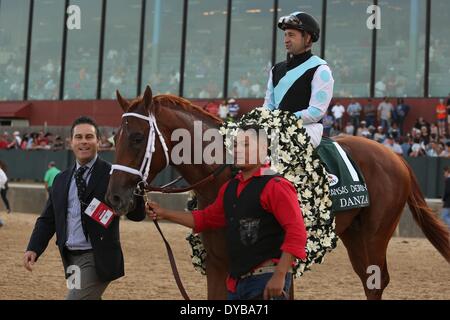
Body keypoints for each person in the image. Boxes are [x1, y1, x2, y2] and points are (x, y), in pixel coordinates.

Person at [146, 126, 307, 300]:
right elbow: (205, 219)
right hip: (236, 284)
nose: (238, 149)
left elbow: (297, 232)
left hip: (266, 280)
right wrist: (164, 213)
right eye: (236, 144)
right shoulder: (230, 188)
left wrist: (280, 275)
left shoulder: (276, 185)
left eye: (245, 145)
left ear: (262, 149)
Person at [24, 116, 146, 300]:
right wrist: (33, 247)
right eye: (78, 137)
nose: (84, 142)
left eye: (89, 137)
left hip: (98, 257)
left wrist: (136, 186)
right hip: (70, 258)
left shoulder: (114, 174)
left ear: (99, 141)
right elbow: (48, 219)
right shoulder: (61, 179)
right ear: (70, 142)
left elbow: (137, 215)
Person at [263, 11, 334, 147]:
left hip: (307, 131)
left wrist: (283, 120)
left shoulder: (320, 69)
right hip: (277, 129)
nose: (286, 40)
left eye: (291, 35)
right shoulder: (276, 69)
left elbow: (316, 112)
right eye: (285, 35)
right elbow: (268, 105)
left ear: (307, 38)